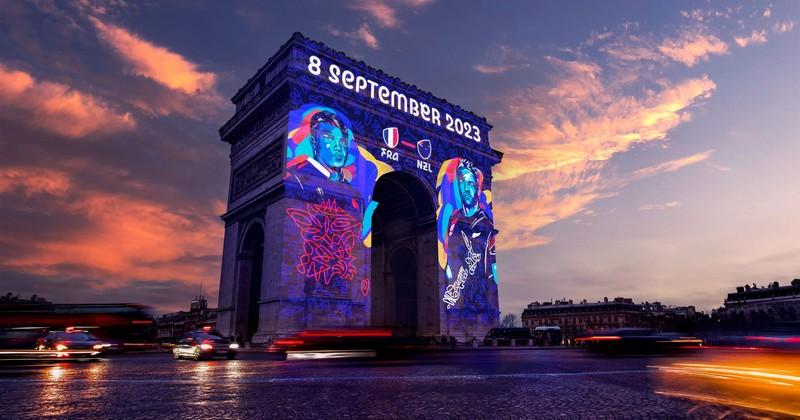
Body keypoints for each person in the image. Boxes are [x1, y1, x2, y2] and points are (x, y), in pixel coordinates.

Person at [287, 110, 352, 183]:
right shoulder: (296, 176)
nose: (338, 147)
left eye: (342, 141)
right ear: (313, 141)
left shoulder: (350, 189)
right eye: (329, 138)